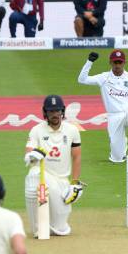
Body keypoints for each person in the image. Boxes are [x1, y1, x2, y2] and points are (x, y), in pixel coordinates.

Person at [24, 95, 84, 236]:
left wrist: (74, 183)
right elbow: (29, 154)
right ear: (45, 113)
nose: (55, 114)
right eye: (51, 111)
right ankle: (37, 228)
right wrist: (32, 156)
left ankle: (52, 225)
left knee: (60, 229)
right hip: (44, 176)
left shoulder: (72, 130)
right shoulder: (36, 130)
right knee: (33, 173)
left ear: (62, 111)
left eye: (57, 111)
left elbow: (76, 157)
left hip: (62, 182)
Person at [78, 50, 128, 163]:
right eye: (115, 62)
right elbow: (82, 79)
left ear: (124, 63)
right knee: (117, 158)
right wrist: (89, 62)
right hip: (113, 116)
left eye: (120, 62)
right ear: (110, 63)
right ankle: (120, 148)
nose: (117, 65)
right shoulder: (104, 77)